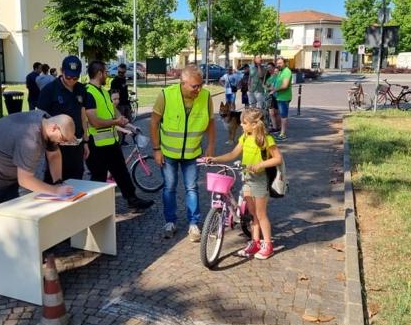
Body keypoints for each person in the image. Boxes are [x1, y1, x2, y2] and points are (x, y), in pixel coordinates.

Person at [0, 112, 76, 284]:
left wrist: (58, 182)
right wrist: (55, 191)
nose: (63, 143)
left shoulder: (47, 122)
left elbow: (54, 155)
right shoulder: (30, 140)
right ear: (54, 127)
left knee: (13, 220)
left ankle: (13, 257)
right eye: (63, 139)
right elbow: (25, 179)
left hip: (7, 172)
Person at [205, 108, 283, 260]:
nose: (241, 125)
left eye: (244, 122)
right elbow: (232, 154)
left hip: (260, 180)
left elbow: (278, 158)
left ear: (254, 124)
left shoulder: (265, 139)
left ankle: (268, 244)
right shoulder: (245, 137)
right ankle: (255, 242)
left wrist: (260, 165)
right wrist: (214, 159)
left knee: (261, 214)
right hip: (247, 178)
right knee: (253, 214)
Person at [150, 64, 216, 241]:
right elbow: (154, 123)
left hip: (193, 153)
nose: (198, 89)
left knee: (192, 188)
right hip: (169, 153)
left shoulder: (206, 96)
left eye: (200, 85)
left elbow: (210, 122)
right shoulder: (166, 95)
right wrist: (156, 149)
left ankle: (194, 224)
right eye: (195, 86)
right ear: (183, 83)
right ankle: (170, 222)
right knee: (169, 188)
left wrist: (210, 147)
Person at [84, 60, 154, 211]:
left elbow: (114, 112)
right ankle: (95, 210)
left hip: (111, 142)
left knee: (121, 172)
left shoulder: (103, 91)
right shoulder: (88, 92)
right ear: (99, 73)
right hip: (96, 145)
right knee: (98, 178)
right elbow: (95, 122)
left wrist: (128, 124)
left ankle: (132, 200)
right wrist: (116, 121)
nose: (108, 74)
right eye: (106, 72)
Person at [37, 55, 91, 181]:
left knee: (77, 175)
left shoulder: (81, 89)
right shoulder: (49, 90)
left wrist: (86, 141)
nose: (72, 80)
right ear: (62, 71)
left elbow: (83, 115)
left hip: (76, 143)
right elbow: (39, 118)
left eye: (75, 77)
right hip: (57, 144)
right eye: (69, 77)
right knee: (55, 177)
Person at [270, 57, 292, 141]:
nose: (278, 64)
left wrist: (274, 90)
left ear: (285, 63)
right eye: (277, 63)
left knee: (283, 116)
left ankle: (283, 134)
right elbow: (276, 83)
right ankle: (280, 132)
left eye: (280, 63)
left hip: (284, 97)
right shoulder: (280, 71)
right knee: (280, 115)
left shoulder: (287, 71)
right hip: (279, 97)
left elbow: (285, 85)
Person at [264, 62, 281, 133]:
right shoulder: (267, 75)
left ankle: (278, 126)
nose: (269, 69)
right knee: (271, 112)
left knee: (276, 112)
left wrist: (270, 88)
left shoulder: (276, 75)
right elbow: (264, 84)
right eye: (268, 68)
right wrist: (267, 87)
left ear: (274, 67)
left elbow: (276, 86)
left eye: (270, 67)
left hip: (276, 95)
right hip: (268, 96)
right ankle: (274, 127)